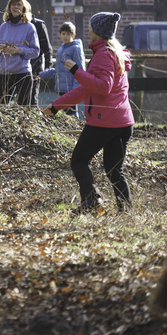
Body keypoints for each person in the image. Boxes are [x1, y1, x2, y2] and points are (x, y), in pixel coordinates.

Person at [42, 12, 134, 215]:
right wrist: (57, 106)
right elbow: (86, 88)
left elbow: (103, 87)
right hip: (123, 122)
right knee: (114, 170)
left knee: (79, 160)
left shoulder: (103, 54)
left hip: (104, 122)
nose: (89, 30)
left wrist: (76, 71)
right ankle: (126, 213)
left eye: (92, 27)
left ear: (97, 31)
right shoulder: (115, 52)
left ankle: (92, 200)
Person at [0, 0, 40, 105]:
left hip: (23, 73)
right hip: (5, 72)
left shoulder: (29, 27)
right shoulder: (3, 27)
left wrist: (18, 50)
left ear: (23, 8)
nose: (16, 7)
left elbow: (35, 51)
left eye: (18, 5)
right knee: (1, 107)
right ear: (9, 7)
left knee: (23, 109)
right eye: (13, 5)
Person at [38, 21, 86, 117]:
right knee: (65, 113)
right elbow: (57, 70)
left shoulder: (75, 48)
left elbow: (80, 69)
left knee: (71, 113)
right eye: (63, 34)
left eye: (68, 34)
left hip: (71, 89)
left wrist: (76, 90)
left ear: (73, 35)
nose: (65, 36)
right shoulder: (61, 50)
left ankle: (74, 130)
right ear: (60, 34)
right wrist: (40, 75)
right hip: (61, 88)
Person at [29, 15, 53, 107]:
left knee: (32, 98)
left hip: (34, 66)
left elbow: (47, 48)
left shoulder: (38, 25)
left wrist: (47, 67)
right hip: (16, 66)